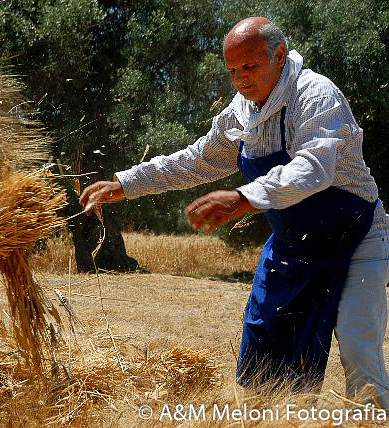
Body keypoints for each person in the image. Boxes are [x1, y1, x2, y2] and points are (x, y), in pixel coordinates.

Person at [79, 17, 389, 405]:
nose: (240, 78)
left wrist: (243, 198)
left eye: (249, 66)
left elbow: (314, 168)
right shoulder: (241, 112)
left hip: (356, 237)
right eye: (232, 70)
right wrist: (127, 183)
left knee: (359, 351)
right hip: (293, 249)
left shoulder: (314, 95)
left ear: (279, 56)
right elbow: (197, 160)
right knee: (265, 356)